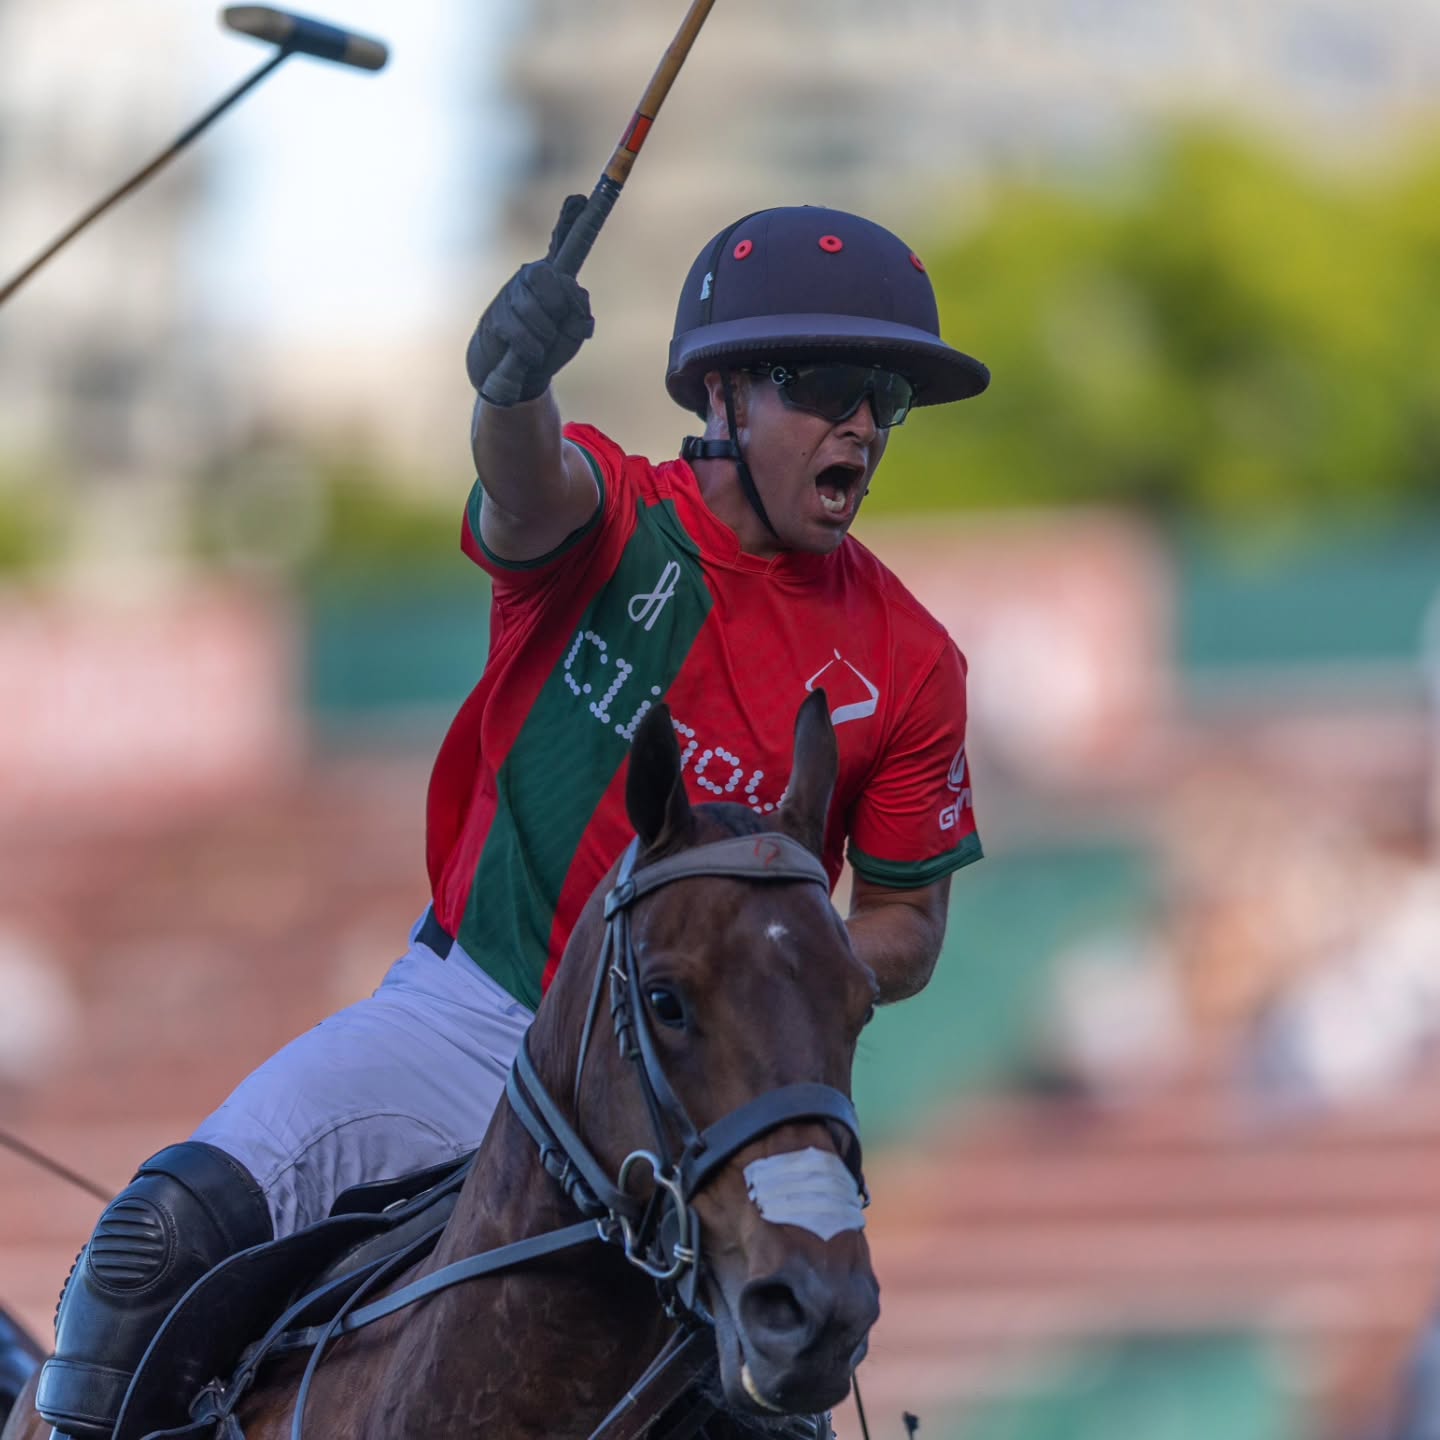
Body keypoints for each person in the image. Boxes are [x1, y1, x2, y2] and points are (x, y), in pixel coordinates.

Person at [36, 199, 989, 1439]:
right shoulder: (621, 520)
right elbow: (529, 474)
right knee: (148, 1247)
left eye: (885, 396)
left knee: (808, 1365)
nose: (860, 419)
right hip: (469, 1020)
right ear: (723, 395)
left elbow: (909, 920)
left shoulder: (914, 662)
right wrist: (513, 382)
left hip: (718, 1089)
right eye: (824, 382)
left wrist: (767, 961)